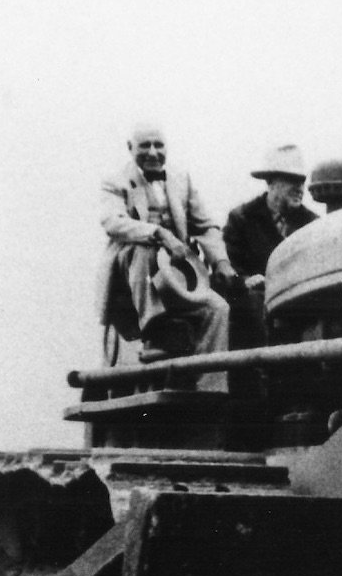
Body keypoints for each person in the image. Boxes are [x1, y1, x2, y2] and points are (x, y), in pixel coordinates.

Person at [94, 124, 237, 388]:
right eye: (144, 146)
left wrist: (221, 262)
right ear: (130, 148)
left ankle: (210, 388)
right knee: (143, 247)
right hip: (131, 279)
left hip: (176, 272)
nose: (152, 152)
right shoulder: (115, 181)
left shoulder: (181, 179)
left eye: (158, 145)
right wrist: (159, 233)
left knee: (218, 308)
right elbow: (112, 222)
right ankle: (154, 331)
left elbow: (205, 226)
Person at [221, 144, 318, 349]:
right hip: (256, 308)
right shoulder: (241, 219)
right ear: (271, 182)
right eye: (292, 180)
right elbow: (227, 270)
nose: (300, 188)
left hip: (300, 304)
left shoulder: (313, 224)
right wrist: (245, 281)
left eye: (302, 181)